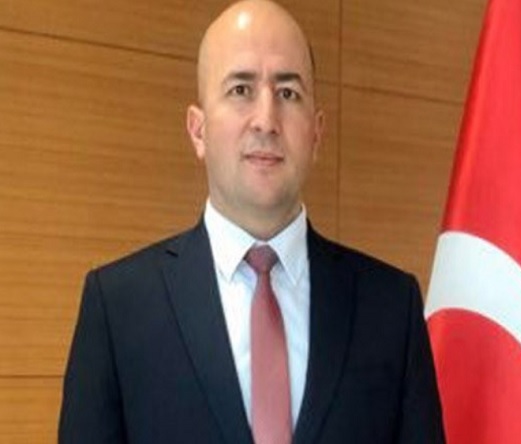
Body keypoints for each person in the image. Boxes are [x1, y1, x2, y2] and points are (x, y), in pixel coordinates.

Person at [58, 1, 445, 443]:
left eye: (288, 93)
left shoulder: (392, 309)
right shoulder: (118, 308)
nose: (266, 120)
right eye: (241, 89)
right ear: (198, 130)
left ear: (317, 133)